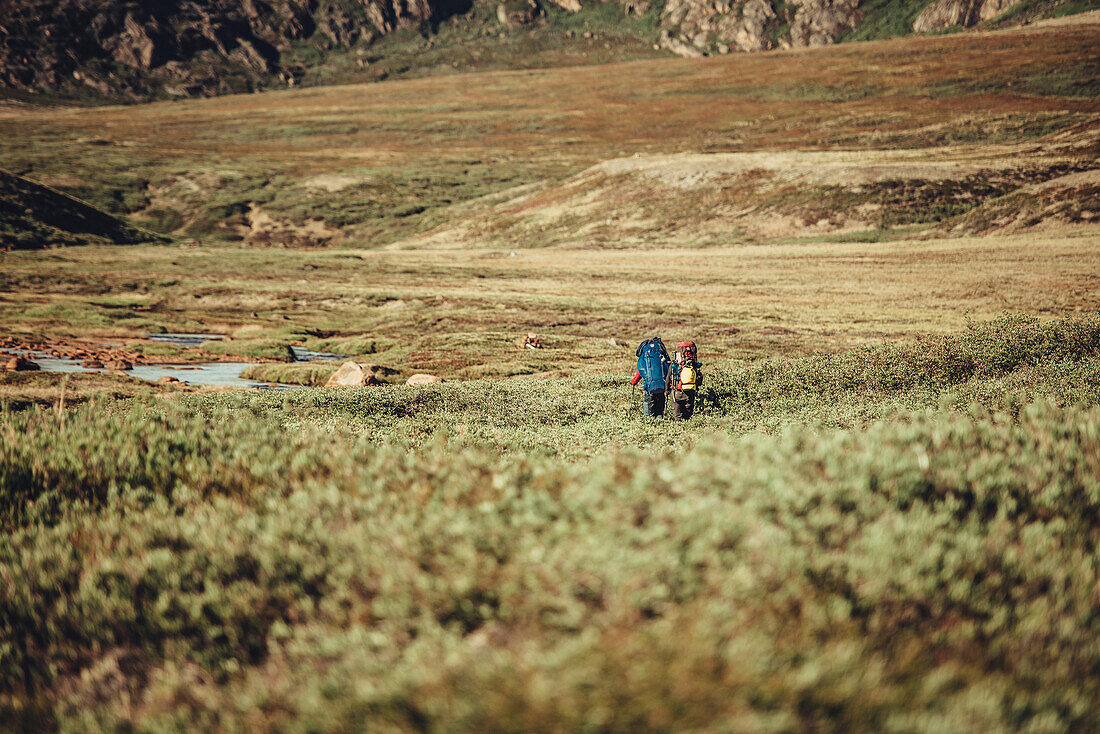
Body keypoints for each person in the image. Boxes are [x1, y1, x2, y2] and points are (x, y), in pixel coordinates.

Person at [632, 337, 671, 418]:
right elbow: (668, 368)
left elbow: (640, 371)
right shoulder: (661, 353)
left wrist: (633, 382)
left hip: (649, 388)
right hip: (662, 387)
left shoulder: (644, 356)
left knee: (648, 414)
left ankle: (650, 426)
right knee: (660, 411)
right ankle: (661, 426)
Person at [666, 341, 702, 421]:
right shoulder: (694, 365)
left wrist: (667, 391)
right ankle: (687, 431)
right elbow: (699, 381)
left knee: (677, 417)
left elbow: (668, 379)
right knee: (687, 417)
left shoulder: (674, 364)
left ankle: (678, 431)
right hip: (690, 393)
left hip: (676, 393)